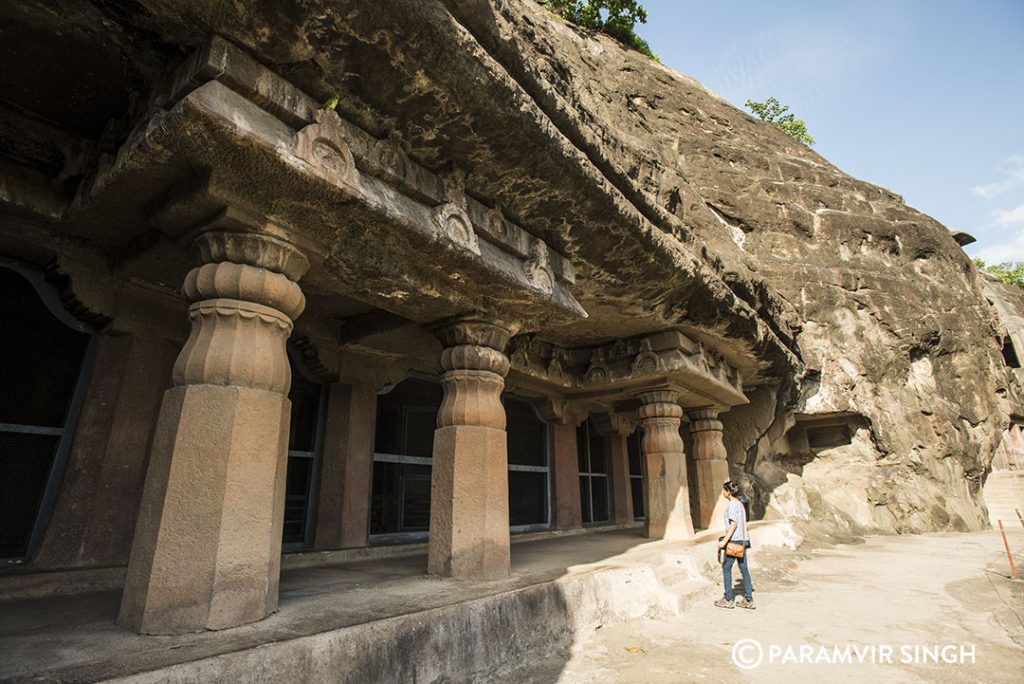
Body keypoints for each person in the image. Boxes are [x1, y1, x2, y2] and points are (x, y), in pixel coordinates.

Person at [715, 480, 755, 609]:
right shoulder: (740, 504)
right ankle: (748, 599)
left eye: (723, 490)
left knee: (726, 568)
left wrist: (724, 542)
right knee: (744, 569)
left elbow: (733, 525)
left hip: (735, 541)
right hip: (743, 540)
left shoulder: (732, 505)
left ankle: (728, 598)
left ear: (728, 492)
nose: (722, 492)